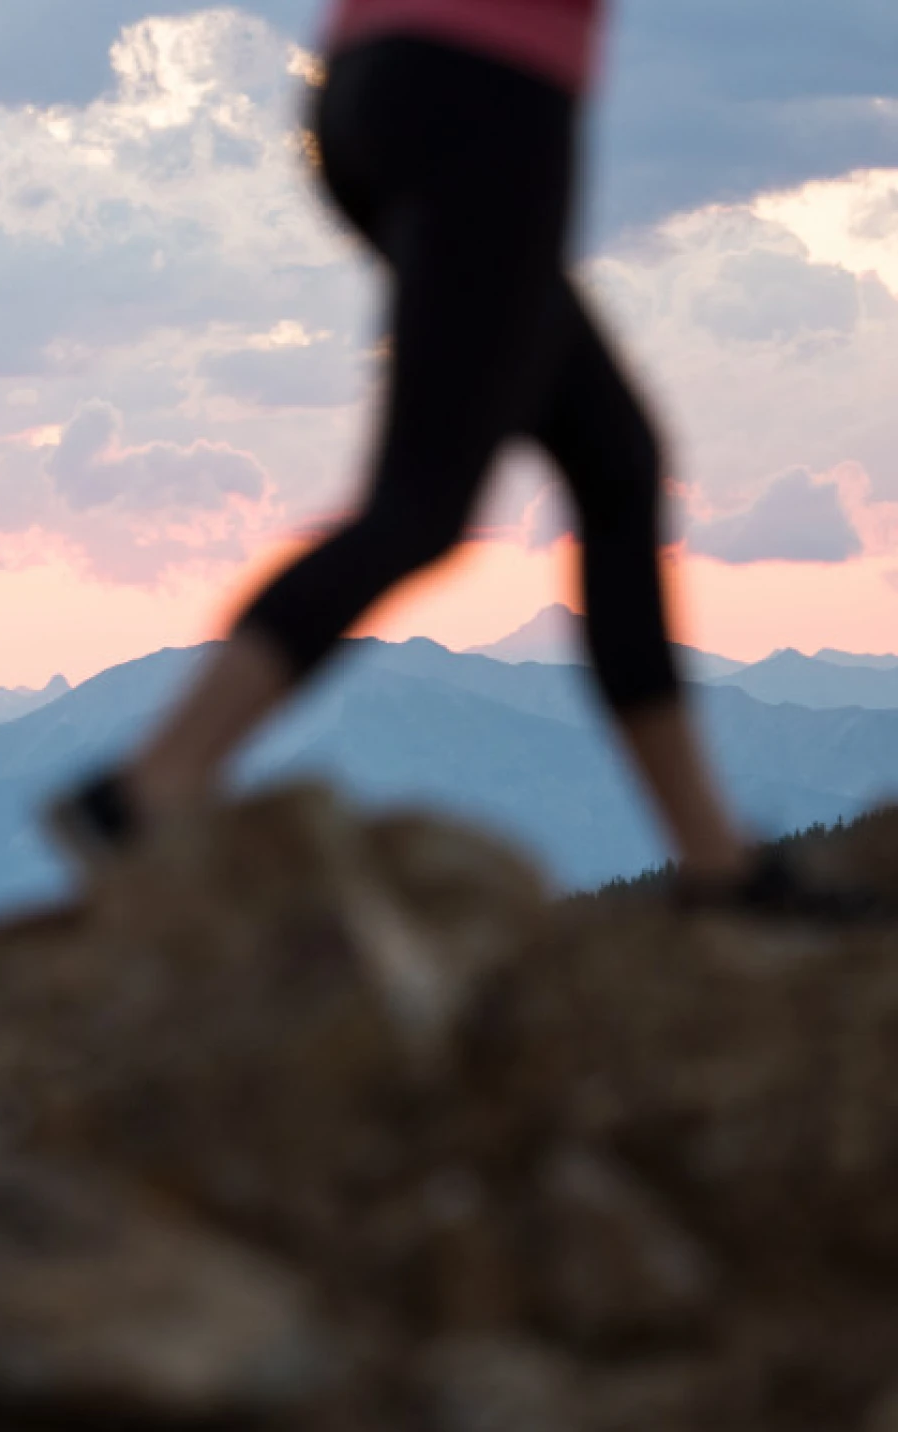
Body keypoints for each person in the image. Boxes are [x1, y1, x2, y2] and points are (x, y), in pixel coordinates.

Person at [52, 0, 874, 918]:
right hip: (484, 86)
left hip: (375, 81)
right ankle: (143, 794)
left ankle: (717, 863)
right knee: (420, 508)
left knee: (615, 461)